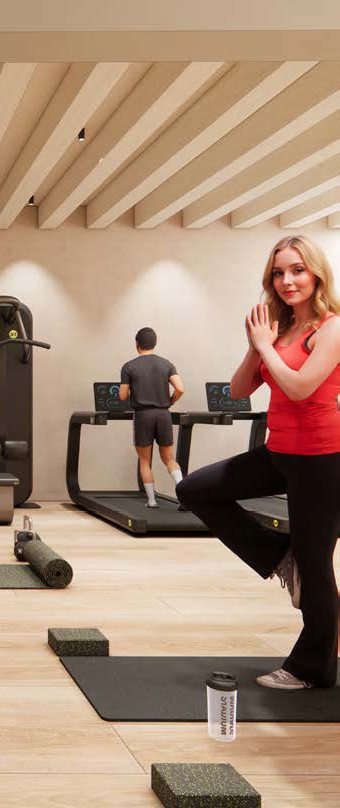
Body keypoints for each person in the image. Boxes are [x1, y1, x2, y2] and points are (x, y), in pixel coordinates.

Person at [177, 235, 340, 690]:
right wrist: (256, 345)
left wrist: (267, 346)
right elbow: (238, 390)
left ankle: (313, 669)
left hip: (322, 459)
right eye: (278, 272)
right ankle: (278, 553)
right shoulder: (278, 329)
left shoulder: (332, 328)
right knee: (194, 489)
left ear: (317, 274)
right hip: (279, 452)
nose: (287, 280)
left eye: (297, 270)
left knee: (316, 564)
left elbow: (301, 387)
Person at [119, 327, 185, 508]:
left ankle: (151, 501)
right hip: (164, 415)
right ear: (154, 344)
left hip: (143, 416)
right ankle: (185, 494)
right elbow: (180, 388)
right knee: (169, 458)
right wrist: (170, 401)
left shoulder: (129, 366)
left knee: (145, 460)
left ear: (137, 345)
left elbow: (123, 396)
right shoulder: (166, 364)